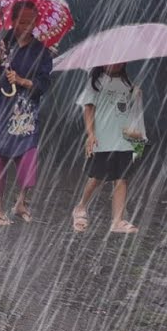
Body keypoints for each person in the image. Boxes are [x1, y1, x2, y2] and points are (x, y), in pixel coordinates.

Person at [0, 0, 54, 226]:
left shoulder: (41, 52)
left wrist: (22, 81)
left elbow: (44, 84)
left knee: (28, 158)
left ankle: (21, 203)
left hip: (23, 114)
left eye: (31, 21)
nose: (26, 25)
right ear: (12, 20)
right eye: (21, 21)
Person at [71, 62, 145, 234]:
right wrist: (90, 134)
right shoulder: (95, 82)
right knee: (97, 177)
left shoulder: (127, 84)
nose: (116, 64)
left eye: (120, 61)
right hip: (103, 139)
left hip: (125, 138)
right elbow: (88, 109)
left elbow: (130, 109)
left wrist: (137, 94)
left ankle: (117, 220)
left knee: (122, 178)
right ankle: (81, 207)